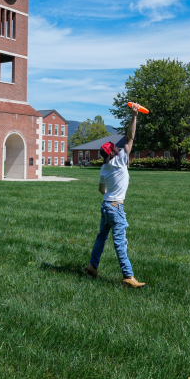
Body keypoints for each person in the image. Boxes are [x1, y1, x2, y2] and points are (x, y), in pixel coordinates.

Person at [84, 106, 145, 288]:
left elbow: (101, 190)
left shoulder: (104, 167)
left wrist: (111, 196)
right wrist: (134, 116)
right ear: (111, 153)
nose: (119, 149)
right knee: (120, 243)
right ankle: (128, 276)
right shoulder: (119, 161)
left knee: (101, 238)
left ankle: (92, 267)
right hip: (116, 207)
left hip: (106, 205)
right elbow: (131, 137)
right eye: (115, 148)